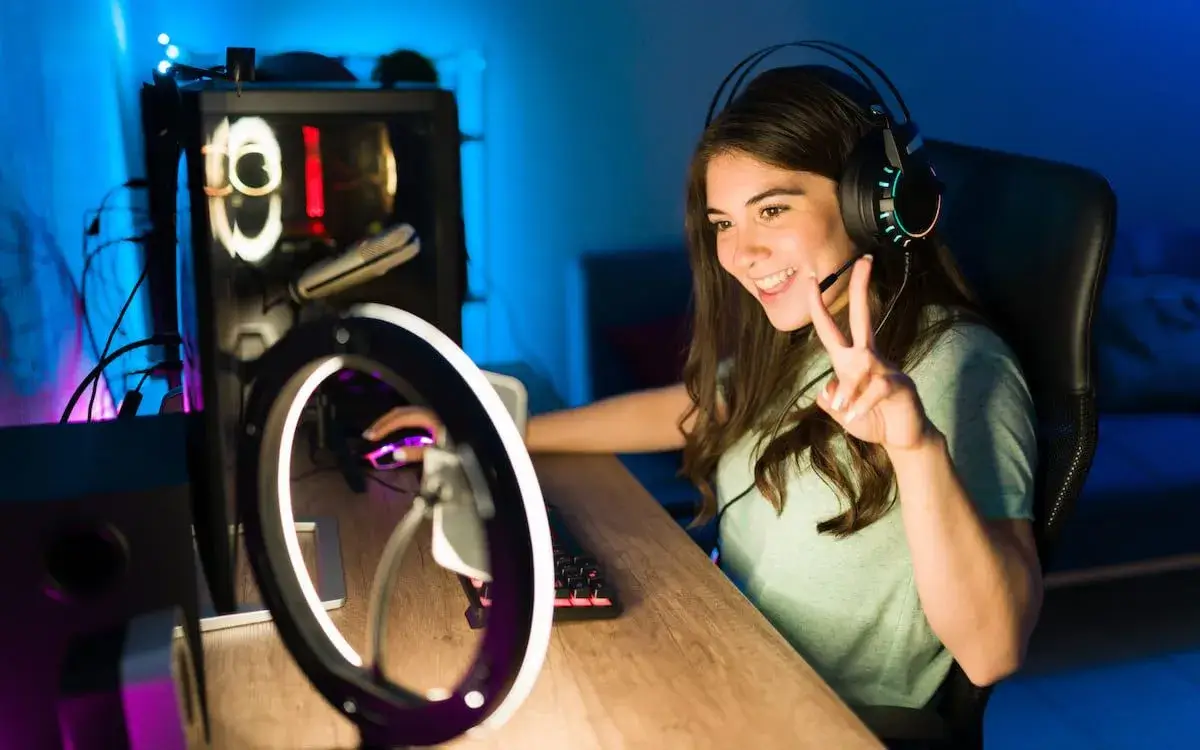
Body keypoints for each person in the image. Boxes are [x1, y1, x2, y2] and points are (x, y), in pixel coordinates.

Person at [363, 64, 1044, 714]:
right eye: (724, 223)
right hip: (723, 648)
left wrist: (915, 447)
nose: (739, 253)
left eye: (771, 210)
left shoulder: (962, 365)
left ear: (874, 204)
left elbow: (992, 652)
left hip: (817, 715)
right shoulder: (804, 335)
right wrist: (495, 430)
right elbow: (697, 407)